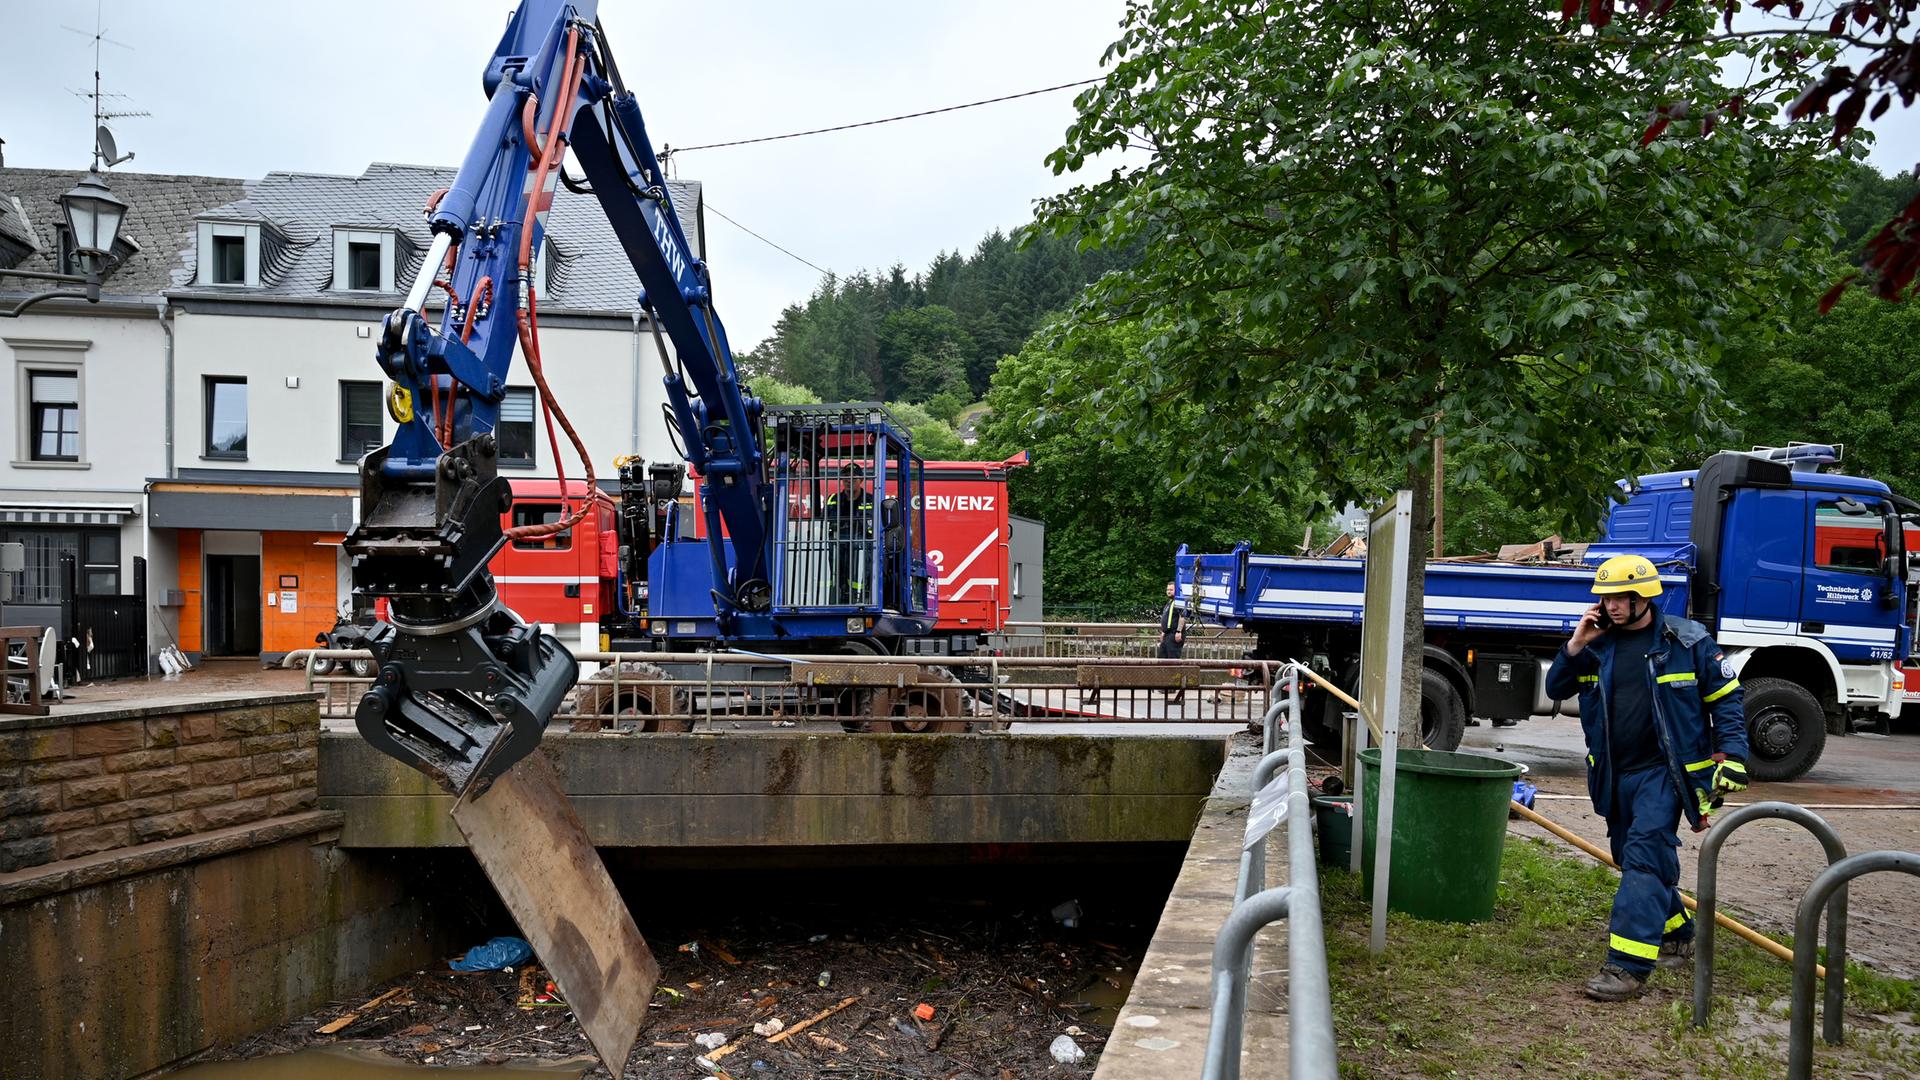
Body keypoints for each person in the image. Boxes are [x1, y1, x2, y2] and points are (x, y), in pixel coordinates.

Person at [1544, 554, 1750, 1002]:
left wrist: (1731, 756)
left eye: (1621, 597)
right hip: (1615, 774)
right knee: (1631, 856)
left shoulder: (1689, 641)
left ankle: (1627, 967)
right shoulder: (1598, 645)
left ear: (1645, 598)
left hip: (1665, 774)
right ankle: (1678, 932)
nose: (1612, 605)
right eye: (1605, 597)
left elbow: (1728, 704)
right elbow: (1556, 689)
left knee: (1643, 855)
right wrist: (1577, 643)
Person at [1159, 581, 1187, 703]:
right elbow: (1167, 619)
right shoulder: (1169, 603)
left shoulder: (1180, 602)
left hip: (1175, 635)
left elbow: (1182, 617)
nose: (1168, 591)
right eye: (1167, 589)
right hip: (1168, 635)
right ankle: (1165, 684)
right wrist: (1163, 632)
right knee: (1163, 659)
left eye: (1171, 589)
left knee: (1173, 660)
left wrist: (1179, 631)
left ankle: (1173, 686)